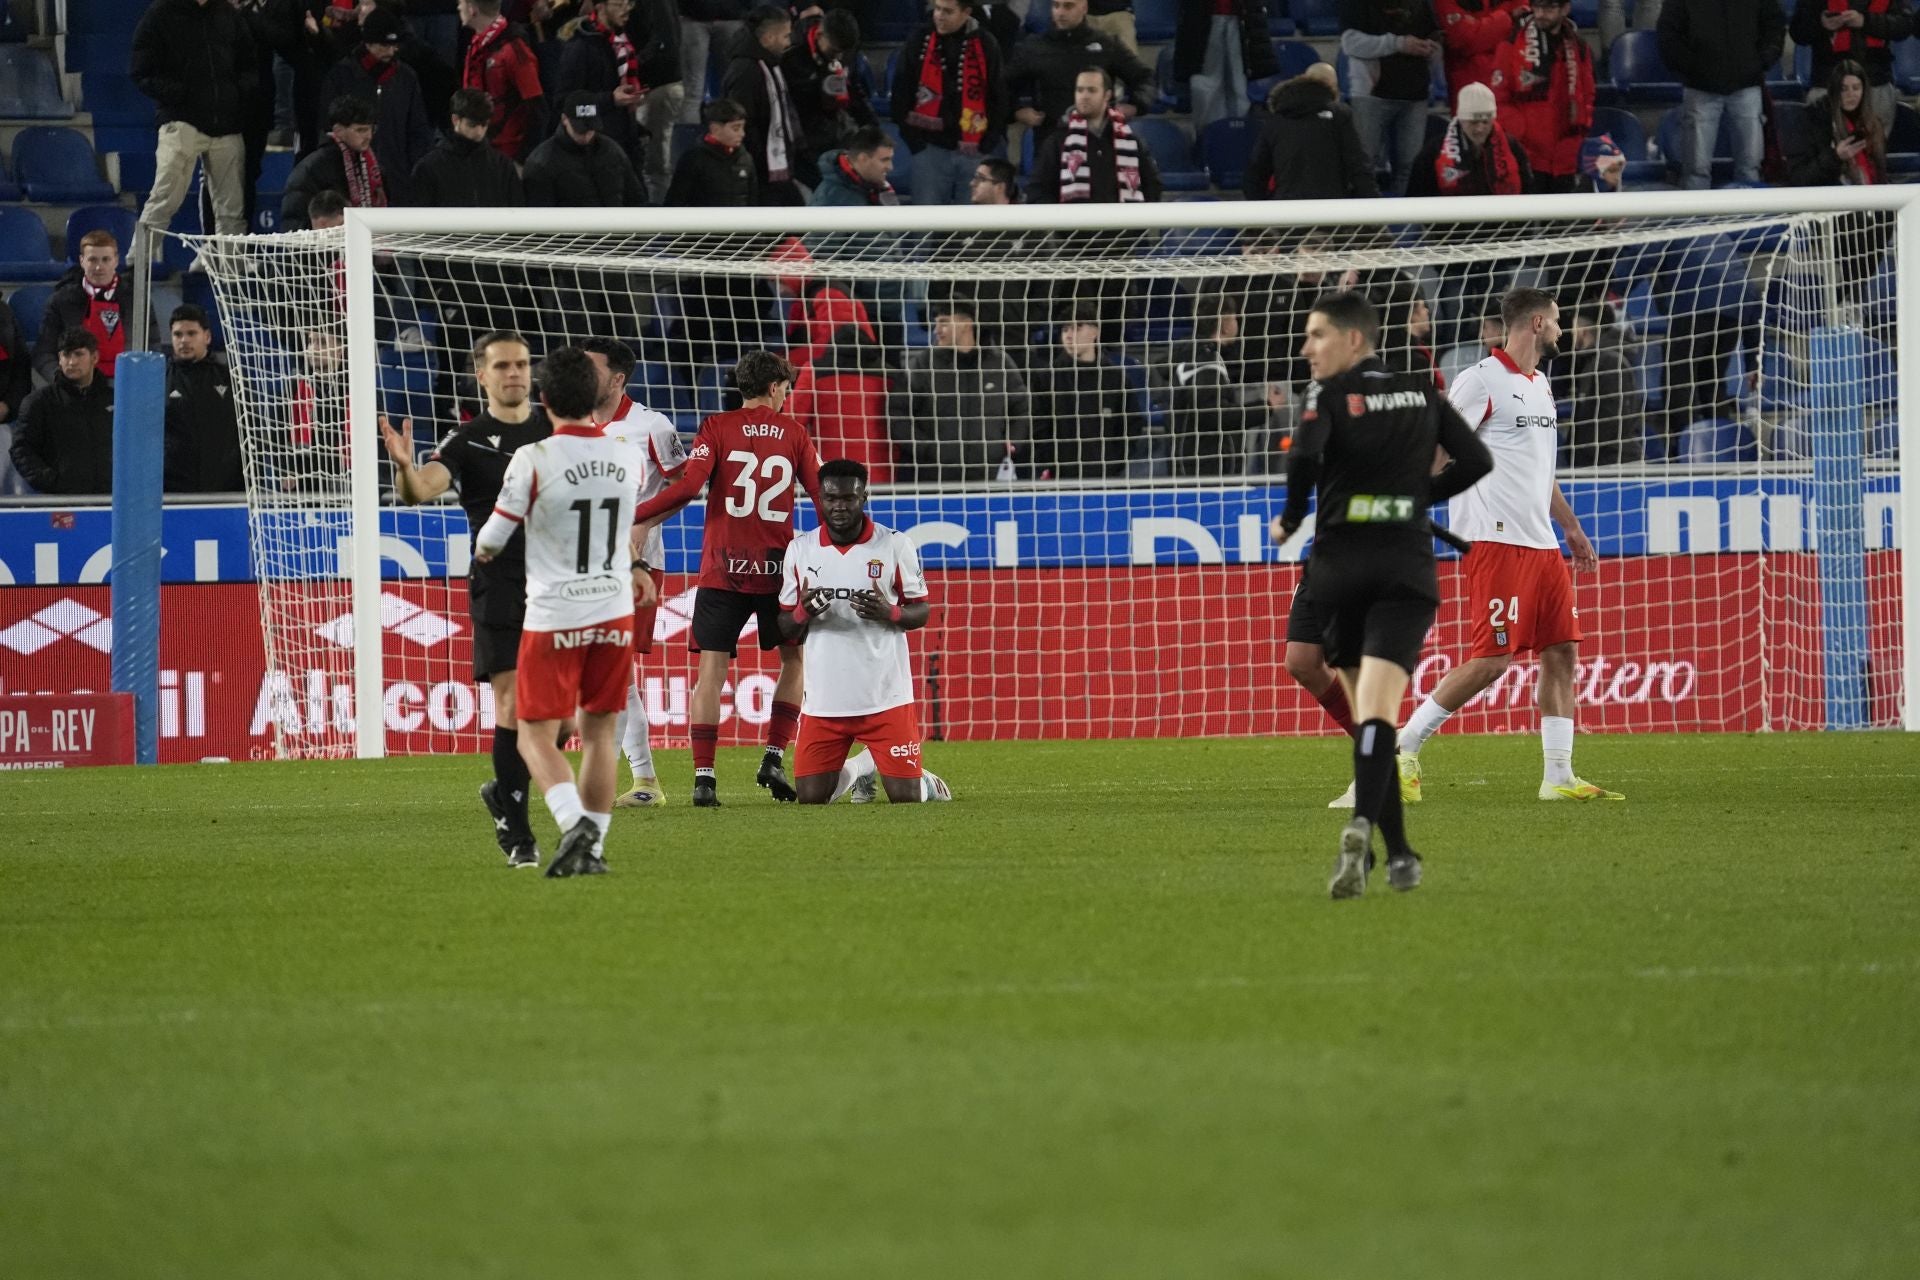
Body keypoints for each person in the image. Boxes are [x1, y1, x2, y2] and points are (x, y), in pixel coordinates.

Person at [1273, 291, 1493, 898]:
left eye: (1316, 335)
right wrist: (1426, 496)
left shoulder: (1330, 398)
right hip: (1403, 570)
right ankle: (1366, 829)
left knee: (1369, 716)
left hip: (1339, 570)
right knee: (1378, 717)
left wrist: (1291, 520)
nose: (1306, 348)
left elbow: (1304, 463)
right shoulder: (1424, 393)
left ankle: (1396, 854)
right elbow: (1476, 460)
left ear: (1352, 339)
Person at [1397, 287, 1625, 802]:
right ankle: (1405, 744)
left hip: (1542, 543)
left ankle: (1558, 776)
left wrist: (1570, 526)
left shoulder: (1541, 385)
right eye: (1560, 320)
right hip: (1495, 539)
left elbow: (1540, 471)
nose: (1564, 329)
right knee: (1493, 660)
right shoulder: (1479, 381)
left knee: (1562, 651)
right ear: (1538, 324)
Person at [379, 330, 553, 867]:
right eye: (502, 366)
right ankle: (519, 836)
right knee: (511, 705)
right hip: (499, 584)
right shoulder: (468, 438)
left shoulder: (556, 426)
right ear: (481, 375)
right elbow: (422, 489)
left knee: (562, 721)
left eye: (521, 364)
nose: (514, 373)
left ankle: (503, 791)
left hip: (560, 586)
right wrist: (405, 469)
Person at [472, 345, 647, 879]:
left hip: (554, 614)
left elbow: (492, 541)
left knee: (533, 734)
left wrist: (490, 544)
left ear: (543, 398)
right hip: (614, 611)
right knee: (598, 734)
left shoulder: (533, 459)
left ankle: (575, 824)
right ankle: (590, 851)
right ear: (597, 396)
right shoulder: (626, 456)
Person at [630, 350, 825, 808]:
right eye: (786, 389)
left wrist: (633, 515)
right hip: (779, 571)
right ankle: (773, 756)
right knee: (794, 663)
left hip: (722, 570)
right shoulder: (796, 434)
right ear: (776, 386)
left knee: (709, 675)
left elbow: (684, 487)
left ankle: (704, 780)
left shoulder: (716, 427)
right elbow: (821, 495)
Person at [777, 458, 955, 806]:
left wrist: (889, 612)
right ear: (820, 499)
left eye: (848, 497)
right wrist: (803, 611)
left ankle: (927, 783)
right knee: (811, 799)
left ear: (864, 497)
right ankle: (862, 767)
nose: (839, 506)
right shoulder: (800, 550)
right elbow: (785, 626)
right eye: (830, 498)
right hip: (826, 701)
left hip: (885, 697)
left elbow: (921, 611)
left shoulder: (893, 545)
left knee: (906, 798)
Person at [578, 336, 683, 810]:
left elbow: (685, 487)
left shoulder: (651, 426)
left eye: (591, 369)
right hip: (581, 565)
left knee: (615, 671)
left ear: (618, 378)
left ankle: (618, 780)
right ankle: (644, 782)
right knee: (612, 676)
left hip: (635, 566)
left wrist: (644, 523)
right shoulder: (571, 424)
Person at [130, 0, 257, 261]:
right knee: (164, 199)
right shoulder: (160, 14)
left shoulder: (228, 15)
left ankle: (231, 276)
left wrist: (237, 94)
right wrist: (179, 95)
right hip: (181, 121)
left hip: (228, 123)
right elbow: (141, 72)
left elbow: (249, 62)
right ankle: (136, 266)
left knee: (232, 210)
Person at [894, 302, 1031, 485]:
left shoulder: (1000, 363)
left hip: (989, 476)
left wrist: (1013, 442)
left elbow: (1022, 408)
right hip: (935, 479)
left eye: (943, 323)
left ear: (966, 324)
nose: (936, 330)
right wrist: (927, 449)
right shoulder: (923, 364)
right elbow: (898, 413)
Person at [892, 0, 1011, 206]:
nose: (939, 15)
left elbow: (998, 95)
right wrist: (914, 141)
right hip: (929, 149)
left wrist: (988, 142)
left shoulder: (986, 43)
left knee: (971, 226)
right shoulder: (919, 39)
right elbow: (901, 89)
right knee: (925, 227)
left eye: (947, 11)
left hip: (975, 149)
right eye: (937, 9)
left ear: (966, 12)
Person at [1658, 0, 1783, 189]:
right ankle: (1695, 217)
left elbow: (1774, 24)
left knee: (1750, 166)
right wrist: (1692, 68)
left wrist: (1761, 62)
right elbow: (1668, 35)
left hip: (1746, 85)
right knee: (1696, 169)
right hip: (1700, 87)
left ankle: (1750, 216)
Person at [319, 4, 436, 205]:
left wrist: (414, 173)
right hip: (350, 182)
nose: (390, 51)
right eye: (383, 45)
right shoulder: (342, 75)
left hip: (398, 182)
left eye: (393, 46)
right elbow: (327, 128)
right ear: (368, 43)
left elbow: (418, 131)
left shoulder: (406, 78)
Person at [1168, 290, 1286, 477]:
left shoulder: (1193, 354)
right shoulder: (1206, 363)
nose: (1237, 324)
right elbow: (1214, 416)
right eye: (1235, 318)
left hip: (1195, 462)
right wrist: (1266, 407)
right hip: (1205, 468)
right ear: (1225, 324)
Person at [1008, 0, 1156, 142]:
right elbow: (1005, 85)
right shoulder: (1033, 47)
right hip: (1049, 142)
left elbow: (1144, 77)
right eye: (1056, 5)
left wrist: (1136, 106)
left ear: (1084, 8)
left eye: (1068, 6)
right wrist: (1017, 111)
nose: (1060, 12)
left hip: (1099, 142)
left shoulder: (1107, 44)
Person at [1026, 303, 1139, 481]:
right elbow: (1037, 427)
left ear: (1095, 332)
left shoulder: (1115, 378)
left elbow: (1132, 424)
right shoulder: (1046, 379)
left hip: (1107, 478)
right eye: (1065, 329)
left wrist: (1114, 462)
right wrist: (1050, 463)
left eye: (1077, 327)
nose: (1069, 335)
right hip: (1061, 480)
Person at [1339, 0, 1441, 195]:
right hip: (1372, 94)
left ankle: (1407, 222)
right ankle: (1364, 221)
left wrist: (1432, 47)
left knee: (1411, 166)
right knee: (1364, 163)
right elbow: (1350, 43)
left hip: (1415, 93)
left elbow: (1433, 34)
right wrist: (1399, 44)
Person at [1493, 0, 1594, 192]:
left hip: (1566, 156)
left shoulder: (1578, 46)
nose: (1540, 13)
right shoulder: (1512, 43)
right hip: (1528, 154)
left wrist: (1579, 134)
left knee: (1564, 221)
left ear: (1565, 9)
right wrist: (1521, 132)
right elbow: (1499, 99)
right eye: (1536, 7)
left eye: (1548, 8)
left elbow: (1587, 94)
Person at [1243, 63, 1380, 200]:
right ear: (1331, 85)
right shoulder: (1340, 115)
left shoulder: (1276, 120)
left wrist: (1262, 211)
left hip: (1287, 210)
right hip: (1332, 209)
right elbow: (1358, 165)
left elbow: (1256, 173)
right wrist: (1373, 208)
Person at [1027, 67, 1163, 203]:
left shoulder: (1131, 140)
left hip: (1122, 223)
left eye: (1091, 90)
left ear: (1107, 95)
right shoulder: (1057, 141)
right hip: (1073, 223)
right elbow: (1039, 191)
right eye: (1080, 90)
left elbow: (1152, 186)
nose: (1084, 96)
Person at [10, 329, 116, 497]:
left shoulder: (116, 400)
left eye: (78, 354)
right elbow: (22, 450)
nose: (72, 362)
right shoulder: (39, 402)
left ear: (95, 358)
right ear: (59, 358)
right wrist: (53, 483)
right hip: (60, 502)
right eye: (66, 355)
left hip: (110, 499)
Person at [723, 4, 811, 203]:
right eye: (785, 36)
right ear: (769, 37)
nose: (788, 42)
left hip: (773, 166)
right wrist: (759, 161)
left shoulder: (770, 65)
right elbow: (742, 122)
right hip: (761, 170)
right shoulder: (746, 71)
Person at [556, 0, 654, 175]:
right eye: (619, 4)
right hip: (594, 154)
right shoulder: (579, 47)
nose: (626, 11)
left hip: (627, 145)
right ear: (600, 6)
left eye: (629, 4)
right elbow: (568, 106)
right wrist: (611, 100)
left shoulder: (624, 42)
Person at [161, 305, 243, 494]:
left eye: (191, 333)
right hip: (174, 490)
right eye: (178, 334)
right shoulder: (159, 380)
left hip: (226, 488)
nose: (184, 341)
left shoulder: (230, 379)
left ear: (207, 336)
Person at [784, 7, 878, 168]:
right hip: (802, 138)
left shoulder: (845, 46)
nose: (839, 57)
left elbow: (853, 89)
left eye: (844, 52)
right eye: (834, 51)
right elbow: (795, 108)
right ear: (820, 35)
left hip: (834, 128)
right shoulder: (791, 54)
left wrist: (872, 127)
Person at [1555, 297, 1643, 466]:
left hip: (1612, 463)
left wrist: (1584, 453)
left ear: (1582, 331)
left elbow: (1610, 418)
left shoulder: (1608, 362)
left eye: (1573, 328)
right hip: (1605, 461)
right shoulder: (1596, 361)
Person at [1791, 0, 1910, 126]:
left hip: (1876, 83)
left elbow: (1905, 25)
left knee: (1876, 143)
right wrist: (1820, 23)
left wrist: (1865, 21)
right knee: (1823, 143)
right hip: (1827, 84)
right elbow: (1798, 32)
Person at [1406, 81, 1531, 197]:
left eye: (1485, 122)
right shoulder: (1433, 151)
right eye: (1473, 122)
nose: (1480, 128)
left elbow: (1528, 192)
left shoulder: (1512, 148)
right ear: (1461, 120)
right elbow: (1415, 197)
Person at [523, 92, 649, 206]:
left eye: (591, 129)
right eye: (581, 129)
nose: (587, 135)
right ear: (564, 119)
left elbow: (635, 198)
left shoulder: (612, 151)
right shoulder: (543, 162)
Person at [282, 96, 389, 229]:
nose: (369, 136)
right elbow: (294, 221)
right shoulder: (314, 169)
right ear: (338, 131)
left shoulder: (373, 168)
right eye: (361, 130)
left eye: (371, 129)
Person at [459, 0, 547, 161]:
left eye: (461, 3)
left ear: (472, 10)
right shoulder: (477, 44)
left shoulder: (513, 49)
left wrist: (523, 158)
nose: (458, 7)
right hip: (480, 148)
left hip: (507, 154)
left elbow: (537, 108)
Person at [34, 231, 127, 384]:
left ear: (116, 260)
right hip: (76, 388)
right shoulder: (60, 300)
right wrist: (61, 381)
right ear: (82, 261)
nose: (99, 267)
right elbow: (43, 352)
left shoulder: (137, 298)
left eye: (106, 259)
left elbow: (151, 346)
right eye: (92, 260)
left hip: (126, 385)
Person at [1175, 0, 1279, 133]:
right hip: (1202, 20)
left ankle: (1239, 134)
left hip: (1242, 19)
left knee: (1238, 84)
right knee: (1207, 86)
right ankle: (1210, 137)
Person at [411, 88, 527, 206]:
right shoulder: (428, 168)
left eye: (484, 124)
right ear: (455, 120)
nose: (479, 131)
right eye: (472, 125)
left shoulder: (503, 166)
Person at [1788, 59, 1889, 186]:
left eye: (1856, 88)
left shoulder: (1873, 124)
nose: (1851, 94)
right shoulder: (1813, 120)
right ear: (1834, 91)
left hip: (1871, 199)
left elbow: (1881, 174)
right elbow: (1798, 178)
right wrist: (1835, 156)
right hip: (1829, 200)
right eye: (1844, 89)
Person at [1432, 0, 1528, 111]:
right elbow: (1465, 40)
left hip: (1512, 84)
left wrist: (1481, 26)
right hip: (1469, 89)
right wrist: (1509, 18)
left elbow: (1523, 28)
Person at [665, 96, 760, 204]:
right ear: (715, 129)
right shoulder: (693, 160)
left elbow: (753, 201)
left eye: (743, 128)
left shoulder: (746, 159)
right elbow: (675, 202)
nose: (742, 134)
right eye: (736, 128)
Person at [677, 0, 749, 123]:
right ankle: (729, 137)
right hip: (704, 18)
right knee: (695, 92)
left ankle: (691, 139)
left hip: (703, 17)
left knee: (693, 92)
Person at [808, 125, 899, 205]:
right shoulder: (830, 200)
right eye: (884, 160)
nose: (890, 167)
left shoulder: (879, 188)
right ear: (863, 159)